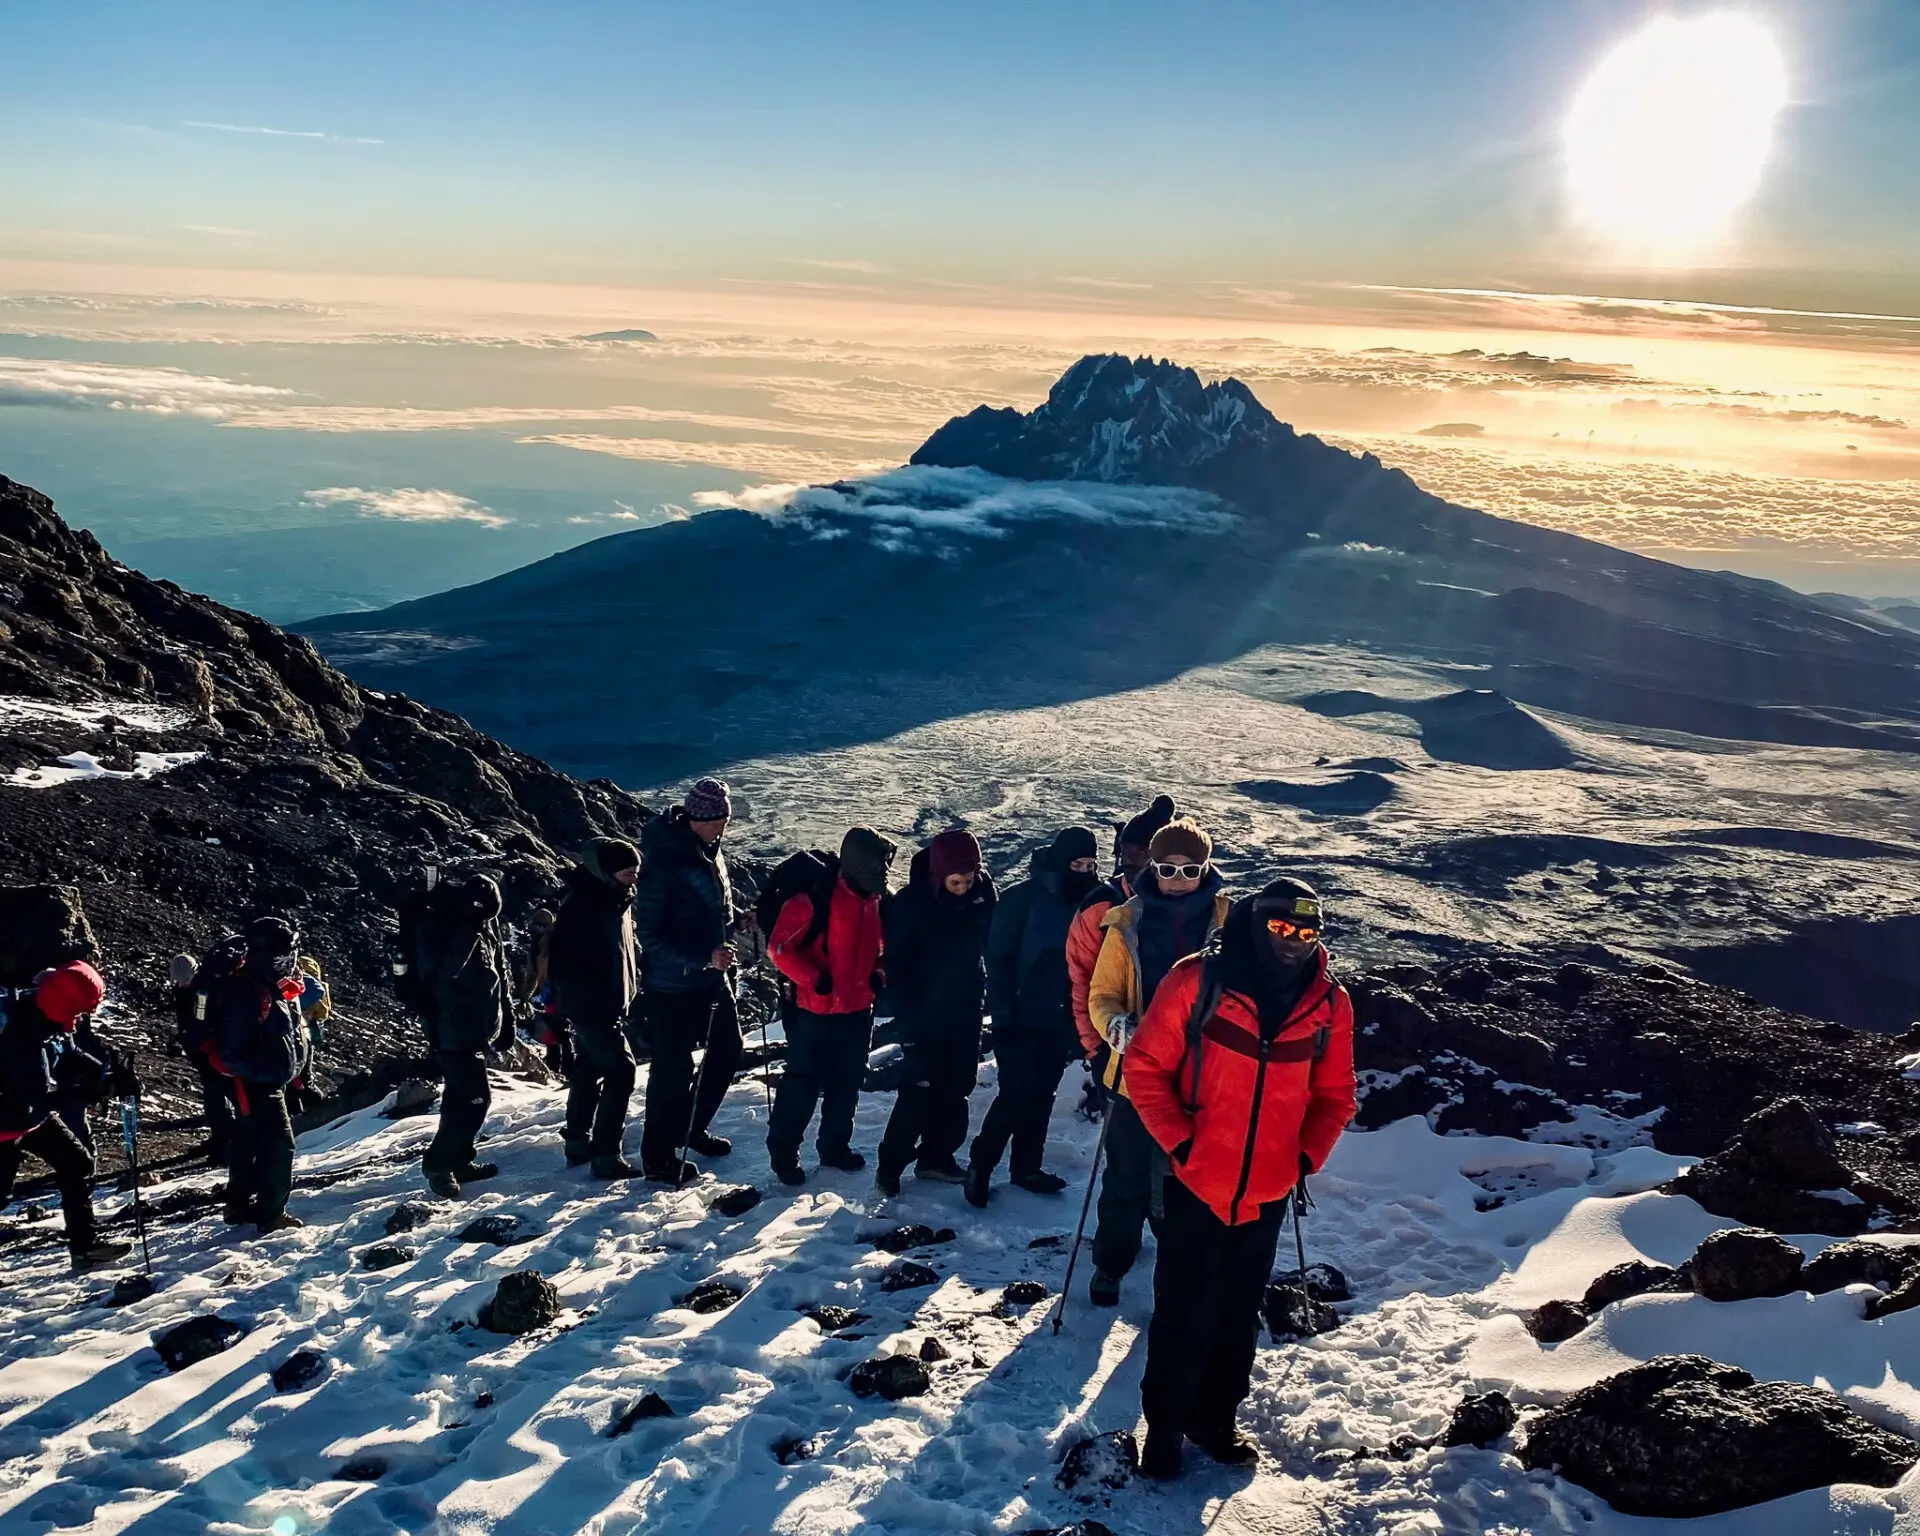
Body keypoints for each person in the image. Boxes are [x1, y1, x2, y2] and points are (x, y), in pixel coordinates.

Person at [1124, 877, 1357, 1480]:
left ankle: (1216, 1419)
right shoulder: (1195, 982)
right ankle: (1166, 1429)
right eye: (1282, 928)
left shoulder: (1328, 1004)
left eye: (1308, 932)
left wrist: (1304, 1159)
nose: (1294, 942)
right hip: (1196, 1182)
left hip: (1267, 1193)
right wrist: (1181, 1142)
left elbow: (1335, 1095)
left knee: (1237, 1313)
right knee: (1182, 1310)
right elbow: (1145, 1067)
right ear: (1257, 924)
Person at [1084, 816, 1231, 1305]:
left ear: (1206, 867)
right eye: (1167, 869)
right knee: (1124, 1174)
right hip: (1134, 1075)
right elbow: (1101, 993)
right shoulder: (1126, 921)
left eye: (1190, 870)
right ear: (1152, 865)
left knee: (1187, 1179)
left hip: (1203, 1079)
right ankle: (1111, 1263)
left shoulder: (1231, 923)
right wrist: (1114, 1027)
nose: (1177, 879)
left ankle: (1180, 1271)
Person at [966, 826, 1102, 1207]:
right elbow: (998, 960)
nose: (1085, 871)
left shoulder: (1094, 901)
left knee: (1042, 1094)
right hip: (1022, 1016)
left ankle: (1026, 1167)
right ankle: (981, 1165)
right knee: (1014, 1095)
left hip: (1064, 1017)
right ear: (1061, 862)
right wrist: (1003, 1015)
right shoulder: (1021, 900)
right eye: (1077, 863)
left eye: (1091, 864)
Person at [765, 826, 894, 1187]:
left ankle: (835, 1147)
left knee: (848, 1080)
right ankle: (784, 1153)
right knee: (802, 1082)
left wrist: (878, 974)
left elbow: (882, 948)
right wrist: (813, 979)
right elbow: (778, 949)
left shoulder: (876, 901)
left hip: (857, 1007)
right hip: (813, 1010)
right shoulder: (814, 899)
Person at [634, 777, 747, 1184]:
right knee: (672, 1070)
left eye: (725, 819)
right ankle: (658, 1158)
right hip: (673, 986)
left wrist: (736, 924)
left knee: (727, 1051)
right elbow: (649, 935)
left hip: (711, 976)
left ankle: (689, 1127)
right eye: (717, 820)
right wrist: (703, 958)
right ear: (697, 818)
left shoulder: (707, 849)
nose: (723, 827)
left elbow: (712, 910)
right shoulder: (663, 861)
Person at [875, 829, 996, 1197]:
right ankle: (890, 1167)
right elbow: (897, 970)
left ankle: (937, 1158)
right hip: (924, 1014)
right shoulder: (912, 905)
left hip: (965, 1007)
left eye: (969, 878)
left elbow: (988, 941)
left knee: (957, 1087)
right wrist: (907, 1027)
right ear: (938, 874)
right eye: (955, 881)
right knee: (918, 1090)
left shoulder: (982, 896)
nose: (962, 887)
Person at [0, 961, 132, 1269]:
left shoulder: (47, 1014)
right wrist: (85, 1091)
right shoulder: (18, 1033)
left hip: (29, 1117)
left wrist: (106, 1075)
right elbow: (29, 1095)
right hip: (7, 1122)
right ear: (62, 1006)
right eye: (76, 1013)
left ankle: (85, 1248)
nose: (77, 1022)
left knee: (77, 1162)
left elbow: (69, 1054)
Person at [206, 916, 313, 1233]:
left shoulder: (267, 983)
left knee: (248, 1142)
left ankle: (237, 1205)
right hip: (256, 1085)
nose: (290, 959)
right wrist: (270, 1073)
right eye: (285, 952)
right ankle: (271, 1214)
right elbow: (233, 1053)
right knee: (279, 1146)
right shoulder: (247, 992)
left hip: (263, 1082)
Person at [551, 837, 645, 1179]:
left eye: (635, 871)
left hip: (607, 1003)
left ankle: (577, 1142)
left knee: (590, 1069)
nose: (633, 878)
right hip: (593, 1007)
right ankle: (605, 1153)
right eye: (626, 872)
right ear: (605, 871)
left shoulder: (615, 899)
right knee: (622, 1070)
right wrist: (593, 1003)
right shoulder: (583, 906)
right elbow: (567, 964)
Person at [416, 873, 514, 1198]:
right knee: (475, 1099)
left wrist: (507, 1019)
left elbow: (498, 972)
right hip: (452, 1029)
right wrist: (469, 929)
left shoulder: (483, 924)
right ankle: (439, 1165)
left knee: (461, 1098)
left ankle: (458, 1160)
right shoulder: (446, 928)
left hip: (475, 1028)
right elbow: (448, 970)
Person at [171, 951, 235, 1164]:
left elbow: (201, 1022)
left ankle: (226, 1143)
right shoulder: (189, 988)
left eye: (184, 980)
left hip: (212, 1051)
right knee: (215, 1096)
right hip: (203, 1050)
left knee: (218, 1096)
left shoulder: (203, 991)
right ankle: (223, 1138)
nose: (181, 984)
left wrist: (200, 1042)